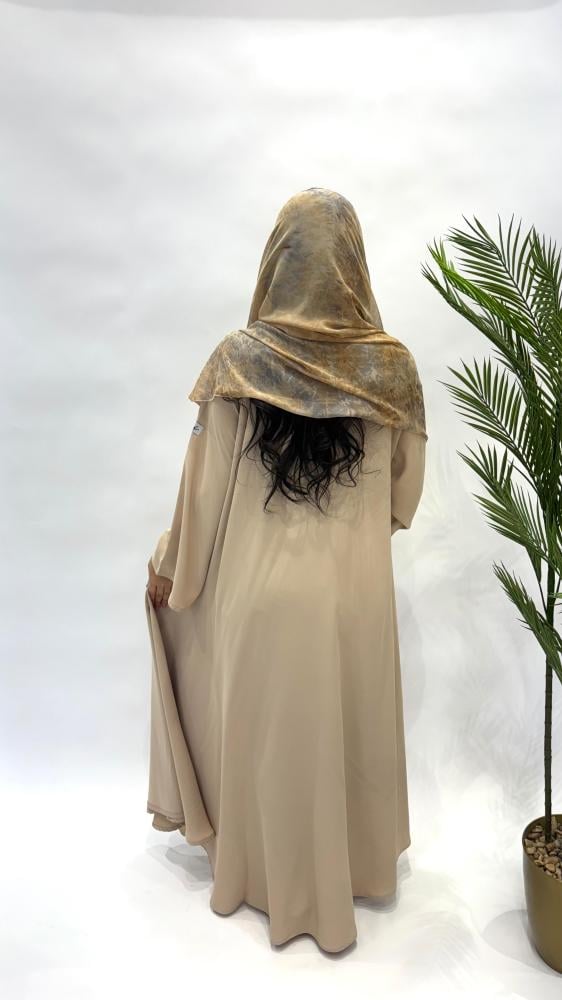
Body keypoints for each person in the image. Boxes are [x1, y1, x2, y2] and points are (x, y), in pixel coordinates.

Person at [144, 187, 427, 954]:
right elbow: (402, 503)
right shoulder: (392, 371)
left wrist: (168, 567)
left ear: (276, 260)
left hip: (256, 599)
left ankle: (261, 877)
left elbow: (201, 501)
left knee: (268, 746)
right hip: (352, 601)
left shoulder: (238, 361)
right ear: (353, 264)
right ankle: (345, 875)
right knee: (339, 737)